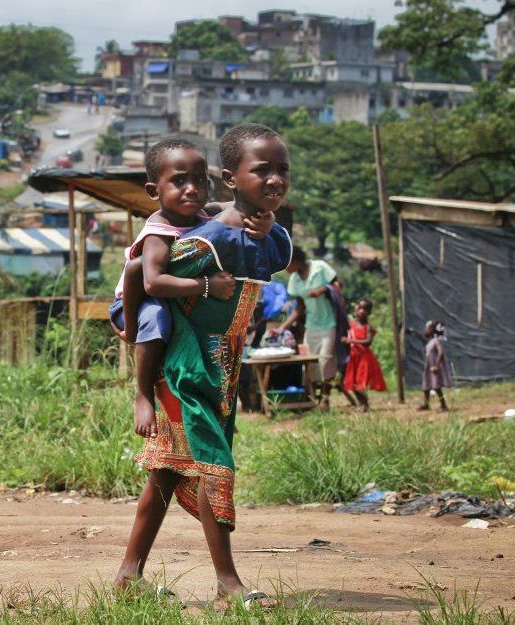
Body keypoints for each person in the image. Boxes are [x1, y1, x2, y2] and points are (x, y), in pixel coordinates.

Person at [114, 123, 292, 610]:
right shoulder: (203, 241)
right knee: (214, 464)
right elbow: (142, 276)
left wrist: (267, 228)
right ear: (234, 177)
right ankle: (227, 585)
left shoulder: (266, 234)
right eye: (263, 171)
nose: (275, 180)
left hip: (222, 369)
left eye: (283, 171)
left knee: (167, 473)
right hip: (185, 367)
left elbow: (274, 256)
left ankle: (129, 578)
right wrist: (133, 334)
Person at [109, 137, 273, 442]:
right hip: (136, 304)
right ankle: (142, 395)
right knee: (160, 319)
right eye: (179, 181)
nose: (192, 189)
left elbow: (240, 207)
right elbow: (152, 282)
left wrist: (267, 219)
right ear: (154, 191)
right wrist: (206, 285)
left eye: (200, 180)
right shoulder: (160, 230)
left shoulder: (201, 215)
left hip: (170, 298)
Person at [278, 246, 340, 409]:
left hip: (329, 323)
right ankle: (313, 398)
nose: (285, 269)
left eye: (287, 264)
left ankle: (325, 398)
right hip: (311, 326)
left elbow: (338, 284)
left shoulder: (319, 267)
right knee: (310, 364)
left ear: (296, 260)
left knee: (326, 361)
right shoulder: (294, 280)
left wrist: (323, 289)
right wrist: (282, 327)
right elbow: (299, 307)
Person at [341, 298, 386, 412]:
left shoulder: (368, 327)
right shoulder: (351, 324)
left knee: (361, 382)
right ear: (356, 308)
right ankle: (362, 402)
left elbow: (368, 342)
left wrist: (351, 341)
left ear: (369, 312)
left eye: (365, 309)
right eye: (360, 308)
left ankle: (364, 404)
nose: (361, 311)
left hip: (364, 358)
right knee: (351, 382)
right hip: (353, 357)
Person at [419, 320, 451, 411]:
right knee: (426, 386)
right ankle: (426, 404)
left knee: (436, 387)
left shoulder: (436, 341)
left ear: (433, 330)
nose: (426, 330)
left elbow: (441, 352)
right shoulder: (431, 341)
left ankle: (443, 405)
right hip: (428, 367)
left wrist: (436, 365)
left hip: (434, 367)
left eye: (428, 328)